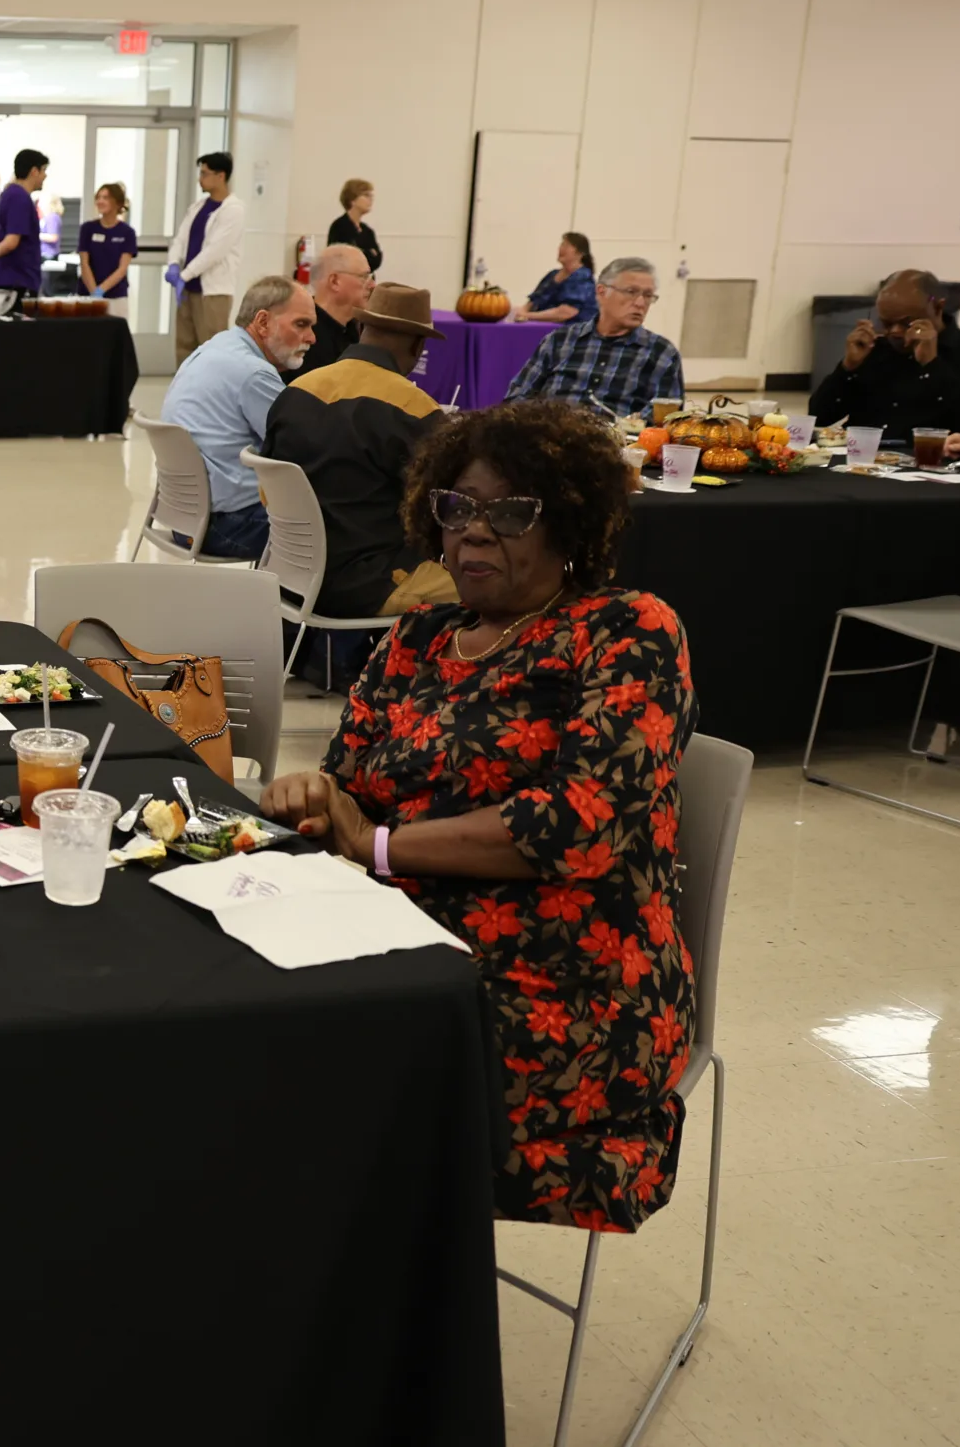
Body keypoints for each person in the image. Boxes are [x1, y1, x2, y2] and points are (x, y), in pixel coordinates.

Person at [262, 400, 698, 1233]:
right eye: (457, 506)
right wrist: (313, 797)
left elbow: (575, 826)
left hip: (566, 989)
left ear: (571, 523)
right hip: (403, 947)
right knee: (236, 1028)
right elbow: (346, 783)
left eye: (511, 511)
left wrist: (379, 845)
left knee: (299, 1095)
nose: (474, 530)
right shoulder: (417, 638)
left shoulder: (626, 631)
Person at [263, 284, 454, 617]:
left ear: (362, 327)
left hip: (288, 576)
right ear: (418, 345)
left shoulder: (294, 392)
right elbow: (446, 509)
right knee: (503, 585)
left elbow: (267, 493)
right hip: (370, 586)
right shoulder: (414, 410)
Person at [161, 275, 315, 561]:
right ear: (263, 321)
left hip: (183, 518)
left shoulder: (214, 347)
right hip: (225, 526)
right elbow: (306, 449)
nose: (311, 338)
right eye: (301, 324)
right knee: (347, 525)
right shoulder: (254, 373)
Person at [504, 257, 683, 419]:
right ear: (601, 292)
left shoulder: (662, 354)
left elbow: (667, 416)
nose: (640, 303)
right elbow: (518, 396)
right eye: (631, 292)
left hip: (616, 441)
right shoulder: (559, 341)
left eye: (648, 295)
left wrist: (627, 426)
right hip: (551, 436)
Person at [807, 268, 960, 441]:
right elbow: (819, 417)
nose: (895, 332)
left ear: (937, 308)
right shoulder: (876, 348)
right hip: (860, 450)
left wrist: (932, 366)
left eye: (907, 323)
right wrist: (848, 368)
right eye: (886, 324)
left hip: (926, 454)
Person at [168, 152, 246, 360]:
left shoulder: (233, 210)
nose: (199, 179)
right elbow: (180, 240)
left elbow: (215, 251)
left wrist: (184, 276)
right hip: (188, 290)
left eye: (204, 173)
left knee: (211, 350)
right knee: (184, 347)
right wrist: (173, 264)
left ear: (221, 176)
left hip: (213, 293)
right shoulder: (198, 207)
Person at [296, 242, 374, 378]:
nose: (372, 285)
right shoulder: (305, 336)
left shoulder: (355, 330)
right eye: (364, 277)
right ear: (334, 281)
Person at [0, 150, 46, 298]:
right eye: (43, 170)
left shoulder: (11, 195)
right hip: (17, 280)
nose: (45, 176)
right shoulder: (19, 197)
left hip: (11, 277)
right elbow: (12, 241)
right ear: (34, 171)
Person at [78, 182, 138, 304]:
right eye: (98, 197)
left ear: (117, 203)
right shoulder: (88, 229)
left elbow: (122, 269)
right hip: (87, 293)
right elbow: (84, 263)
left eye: (105, 198)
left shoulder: (127, 232)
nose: (100, 201)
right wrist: (93, 292)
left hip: (116, 295)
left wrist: (101, 290)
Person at [519, 233, 598, 323]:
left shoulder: (583, 277)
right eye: (562, 245)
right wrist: (522, 312)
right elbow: (533, 300)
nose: (561, 249)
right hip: (542, 325)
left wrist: (528, 316)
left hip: (572, 329)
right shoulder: (552, 274)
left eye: (567, 246)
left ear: (580, 253)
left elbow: (567, 312)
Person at [328, 179, 381, 275]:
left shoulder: (367, 231)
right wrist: (368, 254)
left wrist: (362, 254)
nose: (371, 199)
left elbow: (377, 259)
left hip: (366, 280)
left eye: (371, 196)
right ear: (352, 200)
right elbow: (341, 260)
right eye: (366, 195)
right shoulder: (339, 227)